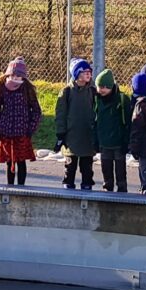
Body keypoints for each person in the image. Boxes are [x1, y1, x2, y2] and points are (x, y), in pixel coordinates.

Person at [0, 56, 42, 186]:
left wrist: (30, 129)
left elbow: (36, 111)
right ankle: (10, 186)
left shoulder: (27, 90)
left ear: (23, 77)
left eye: (18, 76)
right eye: (12, 76)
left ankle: (21, 187)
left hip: (22, 132)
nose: (15, 79)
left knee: (21, 161)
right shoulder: (2, 89)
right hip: (6, 131)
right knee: (9, 161)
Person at [55, 57, 97, 190]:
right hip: (71, 134)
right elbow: (61, 114)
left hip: (87, 134)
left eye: (89, 72)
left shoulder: (92, 91)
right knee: (70, 164)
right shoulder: (67, 92)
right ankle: (68, 184)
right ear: (77, 74)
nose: (88, 74)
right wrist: (61, 133)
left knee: (87, 165)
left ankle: (87, 184)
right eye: (85, 72)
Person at [93, 69, 131, 193]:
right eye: (100, 87)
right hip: (104, 142)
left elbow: (128, 122)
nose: (102, 90)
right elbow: (95, 121)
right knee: (106, 169)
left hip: (118, 142)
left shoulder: (122, 99)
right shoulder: (96, 100)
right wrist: (96, 141)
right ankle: (107, 190)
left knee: (120, 170)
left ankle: (122, 190)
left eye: (105, 87)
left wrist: (126, 141)